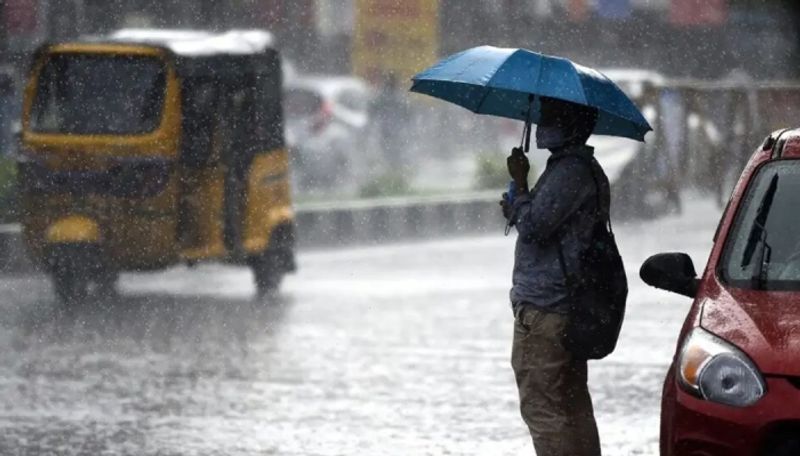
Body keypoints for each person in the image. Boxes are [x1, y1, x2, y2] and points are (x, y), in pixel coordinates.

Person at [499, 96, 607, 456]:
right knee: (571, 405)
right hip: (566, 305)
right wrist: (522, 195)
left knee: (543, 407)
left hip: (547, 308)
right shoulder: (579, 169)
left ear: (569, 124)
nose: (543, 123)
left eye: (550, 116)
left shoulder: (569, 173)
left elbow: (535, 226)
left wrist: (519, 191)